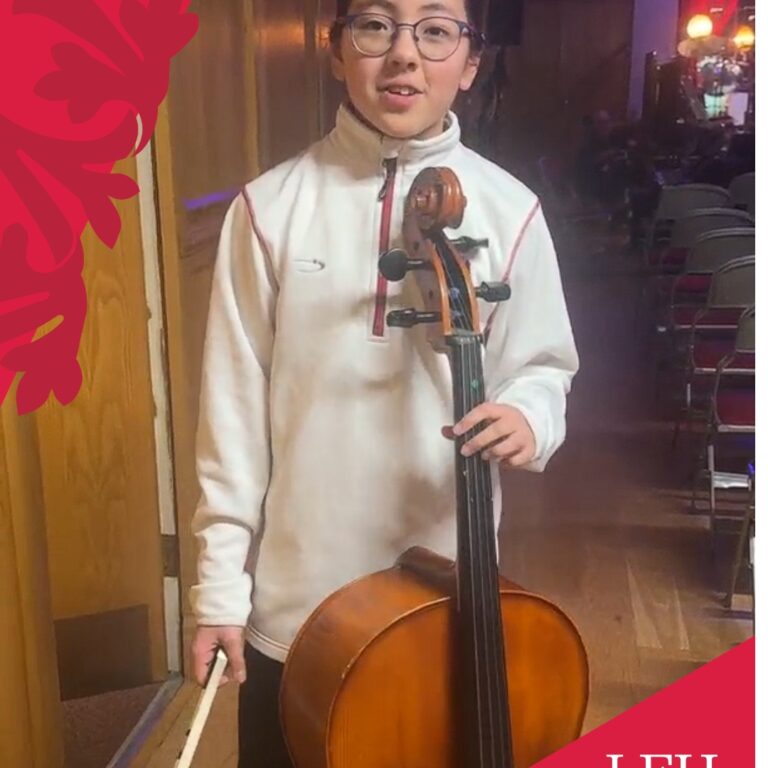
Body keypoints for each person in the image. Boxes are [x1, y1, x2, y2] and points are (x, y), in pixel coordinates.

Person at [190, 0, 578, 765]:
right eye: (376, 26)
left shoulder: (511, 210)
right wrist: (216, 593)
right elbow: (229, 423)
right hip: (296, 605)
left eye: (436, 30)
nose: (404, 55)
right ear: (337, 50)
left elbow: (544, 365)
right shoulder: (269, 209)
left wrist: (530, 413)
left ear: (469, 65)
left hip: (440, 601)